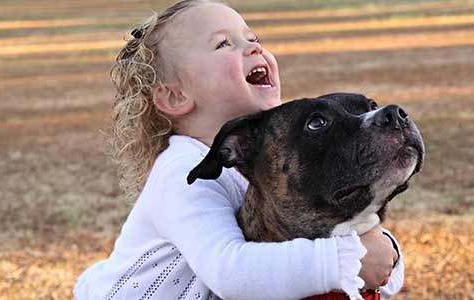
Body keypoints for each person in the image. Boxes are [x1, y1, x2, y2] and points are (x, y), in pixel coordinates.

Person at [74, 1, 404, 299]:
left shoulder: (266, 158)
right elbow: (231, 271)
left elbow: (321, 230)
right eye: (223, 43)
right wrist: (345, 261)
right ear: (175, 96)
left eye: (252, 38)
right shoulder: (181, 172)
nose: (254, 48)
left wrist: (382, 255)